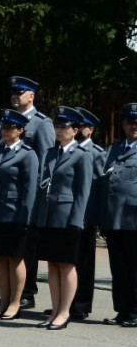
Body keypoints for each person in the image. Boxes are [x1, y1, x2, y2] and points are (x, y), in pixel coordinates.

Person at [32, 106, 92, 330]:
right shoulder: (50, 153)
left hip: (67, 217)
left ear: (75, 130)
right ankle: (55, 309)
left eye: (64, 127)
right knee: (52, 265)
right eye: (57, 126)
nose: (59, 130)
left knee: (66, 265)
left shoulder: (81, 156)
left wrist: (76, 221)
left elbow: (82, 192)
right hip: (49, 217)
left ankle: (65, 312)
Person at [0, 109, 38, 320]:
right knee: (1, 260)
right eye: (4, 127)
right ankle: (3, 300)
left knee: (15, 259)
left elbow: (29, 189)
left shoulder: (27, 154)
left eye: (10, 128)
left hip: (15, 214)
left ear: (20, 130)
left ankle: (15, 302)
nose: (5, 131)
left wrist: (25, 217)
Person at [7, 75, 55, 309]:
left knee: (27, 245)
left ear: (31, 96)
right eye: (13, 92)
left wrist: (37, 193)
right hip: (7, 193)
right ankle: (11, 292)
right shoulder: (8, 120)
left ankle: (27, 292)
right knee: (9, 245)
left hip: (29, 193)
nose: (15, 96)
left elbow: (45, 161)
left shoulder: (42, 123)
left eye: (20, 92)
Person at [100, 102, 137, 328]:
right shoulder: (114, 149)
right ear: (123, 124)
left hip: (134, 219)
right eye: (130, 122)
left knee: (134, 268)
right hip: (114, 218)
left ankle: (135, 311)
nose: (134, 126)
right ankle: (122, 310)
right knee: (119, 268)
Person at [72, 106, 106, 320]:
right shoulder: (68, 150)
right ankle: (67, 302)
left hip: (87, 215)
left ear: (90, 129)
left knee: (84, 262)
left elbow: (99, 187)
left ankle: (81, 305)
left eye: (82, 126)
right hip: (70, 214)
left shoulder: (96, 153)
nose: (79, 129)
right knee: (68, 260)